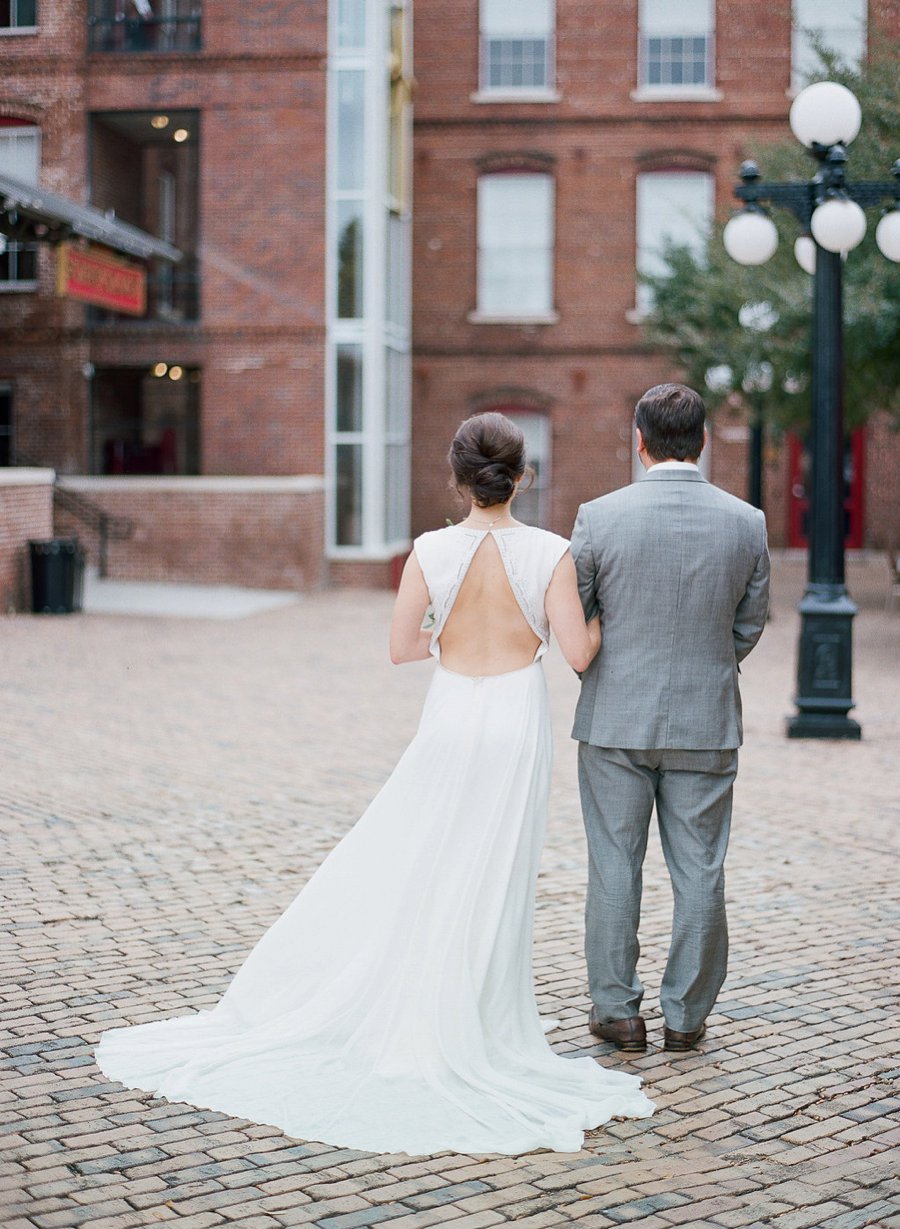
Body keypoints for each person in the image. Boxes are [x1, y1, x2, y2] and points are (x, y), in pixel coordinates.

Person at [96, 412, 654, 1157]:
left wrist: (450, 635)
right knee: (495, 873)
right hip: (516, 721)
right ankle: (480, 1018)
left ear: (457, 480)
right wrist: (610, 617)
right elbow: (580, 654)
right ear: (523, 476)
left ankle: (429, 1006)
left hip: (453, 710)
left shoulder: (429, 550)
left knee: (431, 861)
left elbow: (400, 647)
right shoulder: (552, 553)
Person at [571, 383, 770, 1054]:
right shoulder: (747, 521)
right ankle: (686, 1016)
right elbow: (748, 624)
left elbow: (578, 615)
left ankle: (618, 1013)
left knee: (613, 866)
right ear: (704, 440)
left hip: (614, 719)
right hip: (706, 718)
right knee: (701, 868)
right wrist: (707, 662)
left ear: (639, 439)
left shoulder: (598, 517)